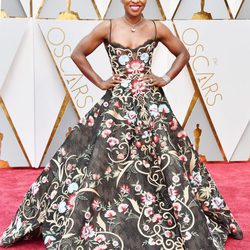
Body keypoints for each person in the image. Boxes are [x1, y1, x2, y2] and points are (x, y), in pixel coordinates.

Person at [0, 0, 243, 249]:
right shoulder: (108, 27)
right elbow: (77, 54)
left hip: (151, 106)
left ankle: (160, 213)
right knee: (100, 161)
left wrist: (165, 78)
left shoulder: (157, 28)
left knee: (163, 158)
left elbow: (183, 53)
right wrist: (100, 82)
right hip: (116, 107)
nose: (135, 1)